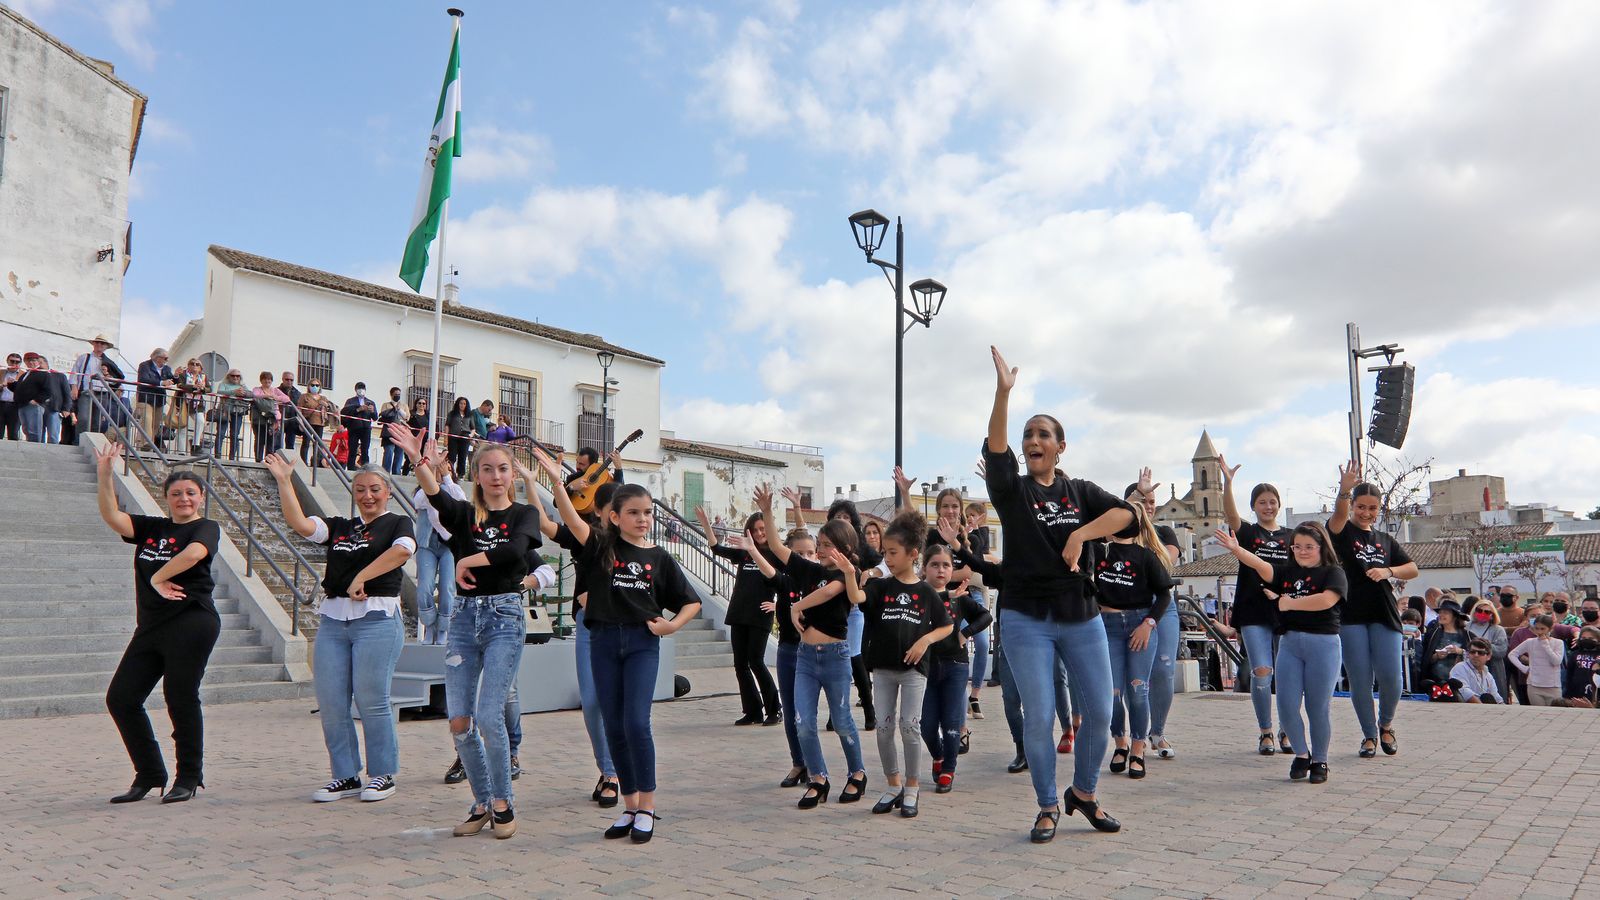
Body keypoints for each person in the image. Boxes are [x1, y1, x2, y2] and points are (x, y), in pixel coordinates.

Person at [983, 347, 1135, 841]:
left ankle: (1084, 793)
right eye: (1029, 434)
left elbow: (1128, 516)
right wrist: (1004, 394)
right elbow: (997, 449)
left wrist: (1080, 535)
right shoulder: (1012, 491)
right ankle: (1047, 804)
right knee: (1041, 714)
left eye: (1043, 434)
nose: (1033, 440)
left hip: (1081, 615)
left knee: (1100, 711)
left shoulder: (1079, 490)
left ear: (1060, 446)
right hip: (1026, 617)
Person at [537, 450, 701, 844]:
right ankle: (629, 807)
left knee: (636, 724)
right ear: (614, 516)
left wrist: (671, 625)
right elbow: (572, 520)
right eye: (634, 513)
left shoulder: (659, 558)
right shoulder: (599, 546)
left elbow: (690, 601)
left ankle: (647, 806)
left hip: (642, 644)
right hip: (604, 641)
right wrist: (558, 483)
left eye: (647, 513)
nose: (643, 519)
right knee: (613, 725)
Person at [388, 424, 542, 839]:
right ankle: (481, 801)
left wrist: (466, 563)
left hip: (503, 618)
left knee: (490, 716)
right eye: (487, 469)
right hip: (463, 622)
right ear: (477, 474)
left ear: (513, 474)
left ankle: (503, 802)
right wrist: (419, 460)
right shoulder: (464, 516)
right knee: (459, 721)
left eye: (503, 469)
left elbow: (514, 553)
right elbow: (436, 495)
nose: (495, 476)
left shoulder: (523, 514)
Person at [265, 453, 413, 803]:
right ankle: (346, 775)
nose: (368, 496)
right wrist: (285, 481)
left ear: (388, 491)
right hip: (334, 621)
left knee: (371, 699)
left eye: (375, 489)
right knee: (332, 703)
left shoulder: (397, 523)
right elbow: (300, 524)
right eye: (360, 490)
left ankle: (382, 773)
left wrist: (362, 575)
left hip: (376, 620)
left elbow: (403, 553)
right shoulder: (341, 527)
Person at [95, 444, 222, 804]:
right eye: (176, 493)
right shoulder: (152, 528)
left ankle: (189, 777)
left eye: (190, 493)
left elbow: (195, 553)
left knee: (180, 697)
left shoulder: (206, 527)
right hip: (151, 626)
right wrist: (105, 473)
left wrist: (158, 576)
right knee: (121, 698)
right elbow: (112, 516)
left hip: (192, 620)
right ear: (166, 497)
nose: (184, 498)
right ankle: (150, 773)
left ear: (200, 498)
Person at [755, 484, 869, 811]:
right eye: (820, 545)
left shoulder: (851, 574)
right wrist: (767, 510)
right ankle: (818, 778)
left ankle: (857, 773)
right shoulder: (810, 570)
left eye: (829, 546)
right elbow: (776, 547)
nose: (821, 551)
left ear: (846, 548)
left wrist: (796, 606)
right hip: (806, 658)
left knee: (843, 720)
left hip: (835, 658)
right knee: (803, 722)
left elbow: (831, 592)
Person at [839, 508, 952, 820]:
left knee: (909, 727)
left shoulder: (927, 592)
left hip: (915, 671)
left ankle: (913, 787)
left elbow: (946, 626)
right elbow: (857, 597)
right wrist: (850, 573)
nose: (887, 558)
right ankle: (893, 784)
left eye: (893, 552)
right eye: (884, 552)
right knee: (884, 728)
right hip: (884, 669)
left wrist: (924, 640)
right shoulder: (880, 586)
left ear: (912, 554)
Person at [1216, 522, 1347, 785]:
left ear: (1321, 547)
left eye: (1309, 546)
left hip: (1323, 644)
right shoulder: (1287, 573)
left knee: (1317, 707)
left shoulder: (1333, 572)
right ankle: (1301, 754)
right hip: (1290, 644)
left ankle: (1320, 760)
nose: (1303, 551)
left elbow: (1326, 600)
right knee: (1287, 706)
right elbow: (1259, 565)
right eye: (1297, 546)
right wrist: (1236, 549)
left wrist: (1288, 602)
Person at [537, 477, 621, 806]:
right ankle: (608, 769)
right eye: (612, 510)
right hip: (590, 627)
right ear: (599, 510)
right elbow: (558, 522)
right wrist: (544, 485)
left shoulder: (635, 545)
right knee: (592, 703)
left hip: (623, 628)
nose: (617, 517)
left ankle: (614, 772)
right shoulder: (588, 535)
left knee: (618, 703)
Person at [1328, 463, 1418, 759]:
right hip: (1352, 614)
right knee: (1360, 679)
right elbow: (1338, 517)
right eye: (1361, 507)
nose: (1366, 512)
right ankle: (1368, 735)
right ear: (1353, 506)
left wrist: (1387, 570)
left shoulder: (1385, 540)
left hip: (1384, 613)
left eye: (1372, 508)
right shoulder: (1341, 532)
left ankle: (1386, 724)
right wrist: (1344, 489)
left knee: (1393, 678)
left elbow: (1412, 569)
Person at [1218, 456, 1294, 755]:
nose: (1268, 506)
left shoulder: (1291, 537)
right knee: (1262, 672)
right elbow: (1229, 514)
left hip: (1285, 611)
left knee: (1288, 675)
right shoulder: (1248, 533)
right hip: (1252, 613)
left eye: (1272, 501)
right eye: (1262, 502)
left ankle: (1288, 729)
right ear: (1254, 506)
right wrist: (1227, 482)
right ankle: (1265, 732)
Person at [1098, 500, 1177, 781]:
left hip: (1139, 626)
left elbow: (1165, 594)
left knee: (1138, 690)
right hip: (1107, 627)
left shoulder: (1146, 556)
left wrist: (1149, 623)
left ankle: (1138, 748)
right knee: (1113, 693)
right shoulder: (1099, 551)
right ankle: (1119, 743)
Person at [921, 539, 992, 796]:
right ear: (924, 567)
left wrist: (967, 633)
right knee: (927, 726)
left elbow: (986, 616)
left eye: (946, 565)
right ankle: (938, 756)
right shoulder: (919, 594)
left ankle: (948, 768)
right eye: (934, 565)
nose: (941, 570)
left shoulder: (960, 599)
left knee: (952, 723)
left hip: (955, 665)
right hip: (925, 668)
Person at [699, 507, 781, 726]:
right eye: (755, 530)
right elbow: (717, 549)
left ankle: (775, 708)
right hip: (739, 613)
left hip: (760, 615)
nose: (759, 533)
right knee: (740, 664)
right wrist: (707, 525)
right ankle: (753, 711)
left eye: (763, 529)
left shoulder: (776, 553)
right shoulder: (745, 553)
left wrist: (777, 605)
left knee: (757, 662)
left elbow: (789, 583)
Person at [748, 527, 814, 789]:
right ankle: (798, 763)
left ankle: (815, 765)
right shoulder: (787, 580)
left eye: (811, 552)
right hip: (789, 650)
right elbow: (769, 570)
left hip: (814, 652)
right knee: (791, 712)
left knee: (807, 715)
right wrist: (753, 550)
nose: (806, 557)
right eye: (799, 553)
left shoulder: (822, 580)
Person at [1124, 472, 1182, 760]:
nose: (1148, 505)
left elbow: (1165, 560)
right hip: (1127, 609)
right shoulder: (1118, 535)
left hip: (1162, 606)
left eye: (1152, 502)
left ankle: (1157, 732)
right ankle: (1133, 736)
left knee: (1163, 671)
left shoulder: (1164, 533)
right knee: (1135, 678)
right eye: (1142, 500)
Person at [412, 454, 462, 645]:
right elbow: (421, 501)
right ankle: (430, 627)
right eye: (437, 466)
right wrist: (430, 473)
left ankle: (443, 628)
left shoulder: (453, 489)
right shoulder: (422, 491)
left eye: (444, 466)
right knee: (424, 587)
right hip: (427, 544)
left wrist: (446, 477)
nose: (440, 470)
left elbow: (460, 500)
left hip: (449, 545)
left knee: (447, 587)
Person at [1508, 615, 1565, 707]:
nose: (1539, 632)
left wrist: (1545, 644)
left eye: (1543, 629)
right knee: (1538, 712)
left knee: (1555, 712)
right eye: (1537, 628)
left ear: (1550, 629)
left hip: (1553, 686)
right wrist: (1524, 668)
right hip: (1534, 685)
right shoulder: (1530, 642)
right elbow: (1512, 654)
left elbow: (1556, 661)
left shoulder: (1558, 643)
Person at [1463, 597, 1509, 701]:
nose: (1482, 613)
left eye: (1487, 612)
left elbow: (1501, 651)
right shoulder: (1466, 627)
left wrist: (1483, 645)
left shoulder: (1498, 630)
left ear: (1492, 614)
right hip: (1469, 667)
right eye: (1479, 610)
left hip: (1492, 669)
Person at [70, 333, 117, 435]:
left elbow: (115, 380)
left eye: (102, 343)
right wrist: (74, 388)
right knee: (83, 418)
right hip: (87, 391)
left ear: (106, 347)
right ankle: (79, 442)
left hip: (102, 393)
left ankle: (91, 444)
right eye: (97, 342)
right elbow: (74, 373)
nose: (99, 345)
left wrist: (108, 375)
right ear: (94, 344)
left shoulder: (109, 362)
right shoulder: (84, 357)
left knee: (96, 421)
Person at [1419, 599, 1470, 691]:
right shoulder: (1432, 634)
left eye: (1445, 612)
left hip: (1460, 683)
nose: (1441, 615)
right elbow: (1425, 659)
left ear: (1454, 616)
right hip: (1435, 683)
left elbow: (1475, 656)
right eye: (1440, 612)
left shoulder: (1467, 635)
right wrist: (1437, 656)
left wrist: (1460, 651)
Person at [10, 353, 54, 442]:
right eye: (28, 360)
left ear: (38, 361)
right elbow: (20, 389)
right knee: (26, 430)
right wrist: (10, 385)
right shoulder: (25, 374)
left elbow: (48, 391)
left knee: (34, 430)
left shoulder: (43, 373)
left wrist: (37, 400)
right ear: (25, 362)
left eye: (33, 360)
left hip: (33, 405)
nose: (31, 362)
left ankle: (35, 450)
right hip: (22, 405)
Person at [250, 372, 290, 462]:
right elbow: (255, 395)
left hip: (273, 419)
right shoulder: (257, 389)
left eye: (269, 379)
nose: (267, 381)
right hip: (260, 418)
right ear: (261, 380)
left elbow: (287, 399)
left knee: (270, 441)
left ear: (271, 381)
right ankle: (258, 459)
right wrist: (267, 396)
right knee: (259, 439)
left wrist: (275, 397)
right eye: (265, 378)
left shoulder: (275, 390)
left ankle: (269, 461)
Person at [297, 380, 337, 466]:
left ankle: (315, 463)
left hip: (320, 423)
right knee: (306, 442)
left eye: (317, 385)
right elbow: (299, 409)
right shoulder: (304, 396)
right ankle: (304, 462)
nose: (315, 387)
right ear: (308, 386)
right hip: (308, 422)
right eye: (312, 385)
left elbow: (331, 408)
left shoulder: (323, 398)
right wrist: (300, 421)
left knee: (318, 444)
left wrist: (326, 405)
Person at [213, 370, 251, 461]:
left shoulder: (242, 385)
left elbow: (251, 394)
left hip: (238, 411)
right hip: (224, 410)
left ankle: (232, 457)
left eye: (237, 376)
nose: (235, 377)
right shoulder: (223, 384)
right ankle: (217, 455)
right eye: (233, 376)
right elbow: (220, 391)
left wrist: (244, 393)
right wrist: (234, 392)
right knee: (221, 433)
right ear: (229, 376)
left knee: (234, 435)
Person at [1449, 639, 1503, 704]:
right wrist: (1482, 708)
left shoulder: (1488, 675)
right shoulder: (1460, 668)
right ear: (1468, 654)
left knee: (1487, 697)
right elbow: (1465, 693)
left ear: (1488, 656)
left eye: (1480, 653)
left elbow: (1496, 696)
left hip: (1485, 710)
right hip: (1466, 710)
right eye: (1472, 652)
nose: (1476, 655)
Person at [173, 359, 208, 454]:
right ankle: (181, 451)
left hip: (197, 404)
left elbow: (209, 388)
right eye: (192, 364)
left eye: (197, 364)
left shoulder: (203, 377)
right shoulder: (183, 374)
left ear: (201, 367)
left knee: (200, 421)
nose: (194, 366)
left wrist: (203, 388)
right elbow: (180, 385)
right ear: (188, 365)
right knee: (182, 426)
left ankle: (195, 445)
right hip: (183, 402)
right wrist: (193, 387)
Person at [341, 383, 378, 470]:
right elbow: (345, 412)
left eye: (363, 388)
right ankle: (350, 469)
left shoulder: (370, 402)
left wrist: (372, 411)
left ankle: (366, 470)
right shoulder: (350, 401)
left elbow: (375, 417)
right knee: (352, 450)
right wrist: (358, 409)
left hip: (366, 429)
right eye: (359, 388)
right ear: (355, 390)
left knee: (365, 450)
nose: (361, 390)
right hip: (353, 428)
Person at [1562, 625, 1600, 706]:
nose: (1586, 640)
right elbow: (1569, 675)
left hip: (1595, 693)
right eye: (1583, 638)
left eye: (1590, 638)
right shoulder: (1574, 654)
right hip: (1577, 692)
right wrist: (1567, 695)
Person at [378, 387, 407, 475]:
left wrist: (399, 410)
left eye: (399, 394)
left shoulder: (404, 405)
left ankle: (397, 473)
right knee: (389, 451)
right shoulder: (386, 405)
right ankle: (385, 472)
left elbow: (407, 417)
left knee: (399, 453)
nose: (397, 396)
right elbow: (383, 415)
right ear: (391, 395)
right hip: (388, 432)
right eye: (396, 394)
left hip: (400, 432)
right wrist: (392, 409)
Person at [445, 396, 475, 479]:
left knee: (463, 456)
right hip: (453, 437)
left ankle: (461, 475)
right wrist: (446, 437)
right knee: (452, 456)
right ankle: (450, 473)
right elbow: (447, 425)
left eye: (464, 404)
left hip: (465, 438)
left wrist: (470, 435)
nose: (462, 405)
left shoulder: (469, 415)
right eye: (461, 403)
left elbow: (473, 428)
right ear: (458, 404)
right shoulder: (452, 414)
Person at [404, 397, 431, 475]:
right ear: (416, 404)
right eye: (419, 403)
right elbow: (406, 425)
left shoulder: (429, 415)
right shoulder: (411, 414)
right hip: (413, 439)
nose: (421, 405)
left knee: (422, 458)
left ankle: (421, 474)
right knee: (410, 456)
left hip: (425, 440)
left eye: (423, 403)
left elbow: (435, 426)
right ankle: (405, 473)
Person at [277, 372, 302, 452]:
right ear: (283, 379)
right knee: (277, 444)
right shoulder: (276, 391)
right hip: (279, 420)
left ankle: (288, 462)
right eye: (287, 379)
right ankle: (276, 461)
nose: (289, 381)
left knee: (290, 444)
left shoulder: (297, 393)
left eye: (291, 380)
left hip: (292, 421)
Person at [0, 352, 21, 440]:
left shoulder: (23, 374)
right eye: (12, 361)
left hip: (15, 406)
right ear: (7, 361)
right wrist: (2, 385)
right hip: (1, 404)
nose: (14, 364)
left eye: (17, 362)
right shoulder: (1, 372)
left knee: (13, 433)